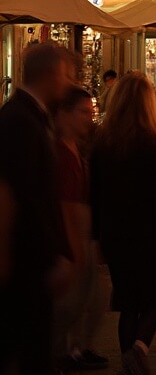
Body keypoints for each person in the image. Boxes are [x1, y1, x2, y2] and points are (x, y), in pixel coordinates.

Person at [90, 72, 156, 375]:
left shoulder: (103, 141)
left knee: (128, 302)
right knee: (155, 297)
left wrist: (96, 237)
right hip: (144, 231)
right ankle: (140, 348)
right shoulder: (150, 142)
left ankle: (129, 358)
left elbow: (94, 192)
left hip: (114, 232)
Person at [0, 43, 77, 375]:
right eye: (66, 74)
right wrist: (51, 256)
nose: (69, 82)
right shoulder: (21, 120)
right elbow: (23, 195)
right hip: (25, 261)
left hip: (29, 259)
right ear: (50, 74)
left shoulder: (30, 116)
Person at [52, 87, 109, 372]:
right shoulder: (58, 151)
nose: (89, 118)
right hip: (69, 234)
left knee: (93, 297)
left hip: (82, 231)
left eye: (91, 112)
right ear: (64, 113)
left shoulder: (80, 147)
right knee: (72, 301)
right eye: (83, 112)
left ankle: (76, 346)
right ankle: (65, 350)